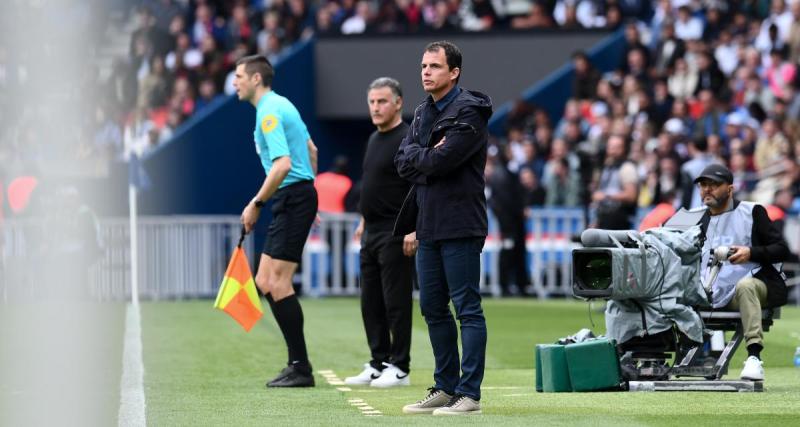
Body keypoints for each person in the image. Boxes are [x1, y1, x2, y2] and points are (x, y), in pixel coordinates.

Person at [395, 41, 491, 415]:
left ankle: (470, 394)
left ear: (454, 72)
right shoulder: (422, 112)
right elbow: (403, 162)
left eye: (434, 66)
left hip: (461, 221)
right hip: (428, 222)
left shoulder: (469, 110)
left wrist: (424, 157)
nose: (426, 72)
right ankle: (445, 386)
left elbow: (442, 162)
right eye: (423, 66)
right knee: (433, 307)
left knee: (466, 307)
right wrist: (427, 155)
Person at [233, 54, 319, 388]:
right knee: (265, 280)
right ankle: (296, 363)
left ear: (256, 79)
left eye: (239, 76)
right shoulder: (282, 104)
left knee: (277, 282)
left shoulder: (269, 111)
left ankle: (301, 367)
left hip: (292, 196)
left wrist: (256, 204)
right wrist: (309, 190)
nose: (235, 83)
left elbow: (283, 164)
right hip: (296, 196)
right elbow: (311, 149)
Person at [344, 77, 417, 388]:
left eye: (382, 101)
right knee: (370, 302)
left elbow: (417, 186)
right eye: (372, 102)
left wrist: (414, 228)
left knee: (395, 302)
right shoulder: (374, 139)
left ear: (398, 103)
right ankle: (378, 362)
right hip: (371, 231)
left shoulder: (408, 138)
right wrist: (363, 218)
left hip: (396, 231)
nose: (375, 107)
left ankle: (399, 367)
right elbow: (372, 183)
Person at [694, 164, 790, 381]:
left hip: (752, 285)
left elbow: (782, 249)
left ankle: (754, 357)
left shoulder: (752, 211)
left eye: (714, 185)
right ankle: (651, 354)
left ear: (730, 189)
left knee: (745, 286)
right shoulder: (696, 219)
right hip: (709, 291)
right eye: (703, 185)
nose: (707, 189)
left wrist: (751, 252)